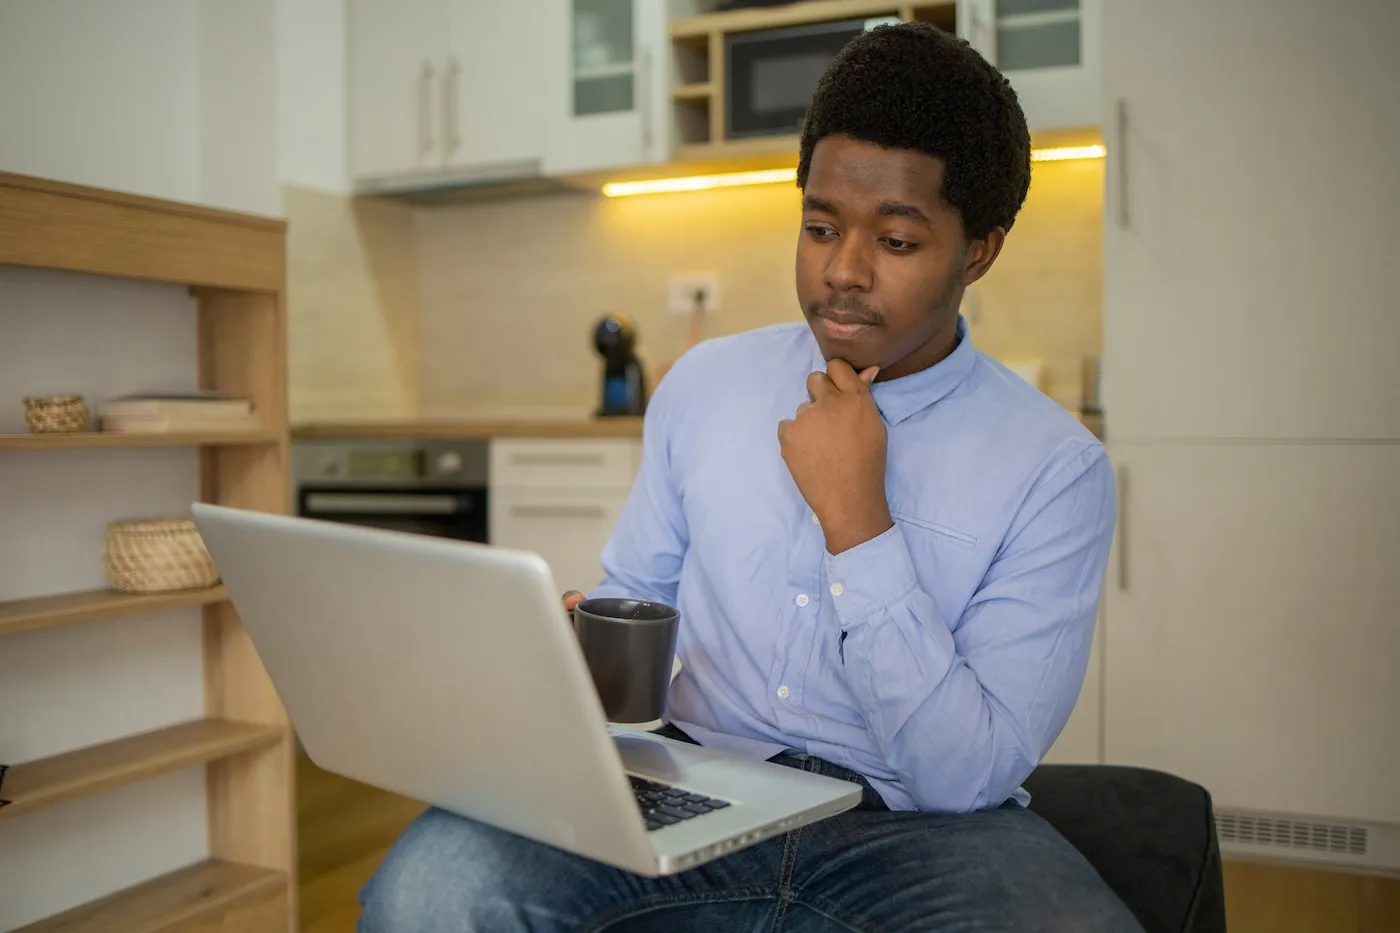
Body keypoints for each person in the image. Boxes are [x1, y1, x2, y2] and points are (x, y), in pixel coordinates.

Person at [358, 21, 1141, 933]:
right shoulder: (705, 386)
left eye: (895, 241)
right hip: (692, 784)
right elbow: (636, 599)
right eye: (819, 227)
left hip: (918, 833)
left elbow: (962, 773)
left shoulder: (1056, 469)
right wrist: (579, 655)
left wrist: (860, 521)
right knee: (430, 886)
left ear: (978, 251)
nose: (841, 272)